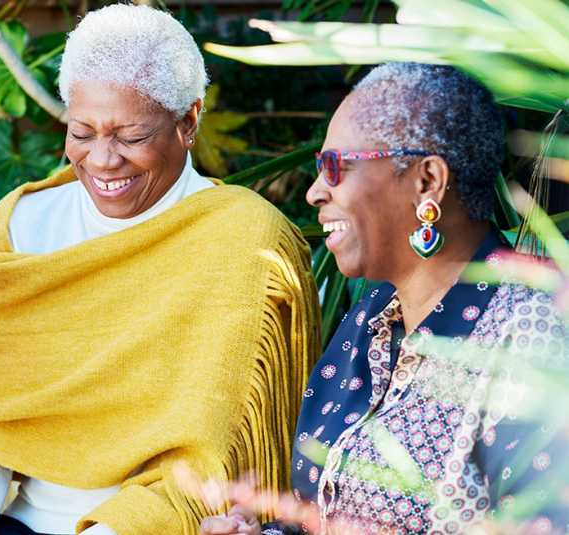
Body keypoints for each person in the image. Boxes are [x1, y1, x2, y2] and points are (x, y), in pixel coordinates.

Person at [0, 4, 321, 535]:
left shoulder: (245, 242)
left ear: (188, 121)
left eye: (130, 136)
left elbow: (210, 456)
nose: (102, 159)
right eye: (82, 131)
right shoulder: (20, 228)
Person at [200, 63, 569, 534]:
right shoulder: (375, 316)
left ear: (427, 181)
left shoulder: (533, 326)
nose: (316, 191)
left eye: (336, 167)